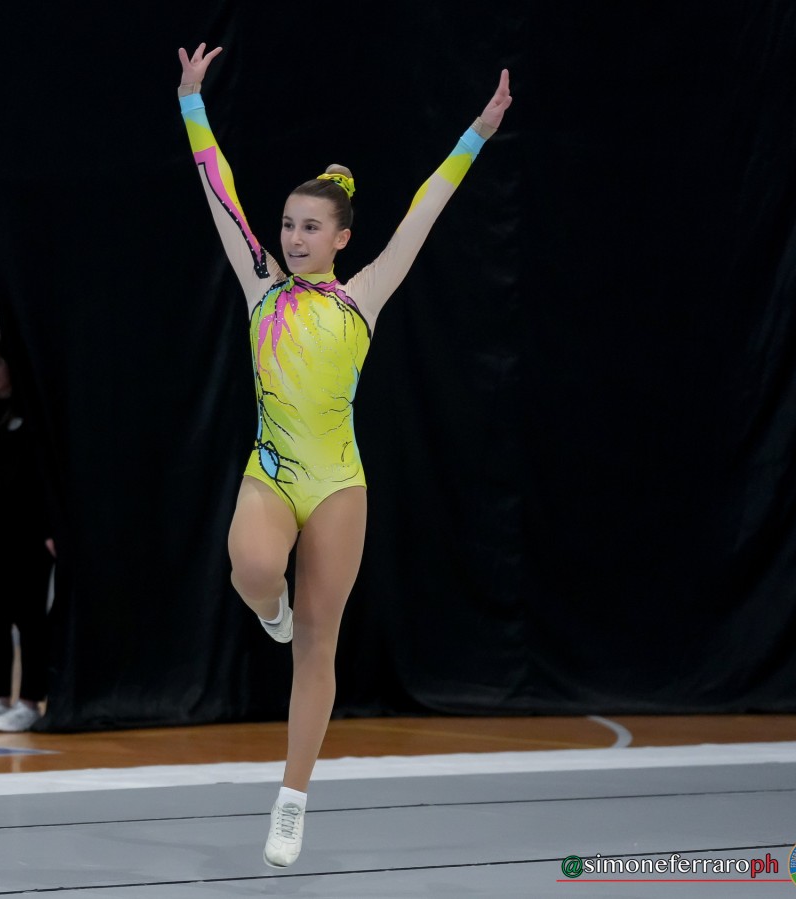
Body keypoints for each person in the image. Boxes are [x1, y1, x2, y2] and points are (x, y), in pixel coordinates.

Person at [176, 43, 512, 866]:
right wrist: (191, 102)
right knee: (253, 569)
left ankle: (292, 797)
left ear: (341, 237)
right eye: (288, 224)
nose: (293, 237)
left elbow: (429, 205)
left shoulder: (364, 295)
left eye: (309, 227)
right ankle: (271, 610)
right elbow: (219, 189)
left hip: (337, 485)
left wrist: (476, 132)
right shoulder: (260, 286)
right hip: (272, 470)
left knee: (318, 645)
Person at [0, 334, 55, 734]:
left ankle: (30, 701)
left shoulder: (33, 412)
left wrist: (50, 528)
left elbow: (45, 477)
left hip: (28, 530)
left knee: (30, 617)